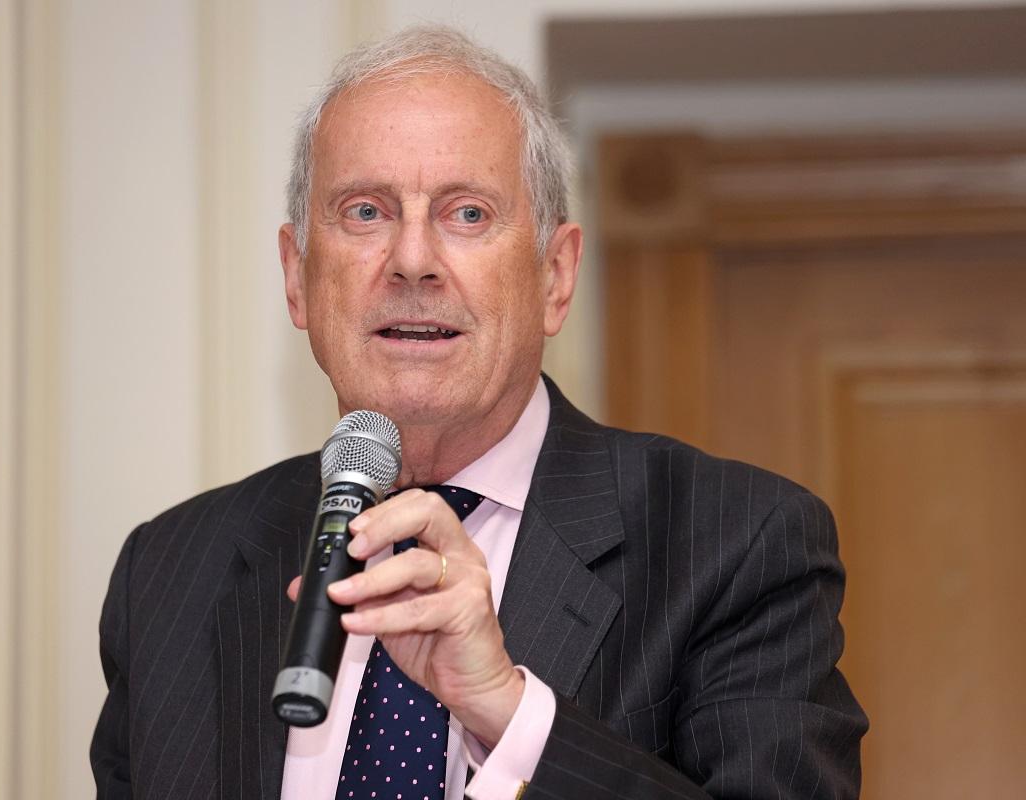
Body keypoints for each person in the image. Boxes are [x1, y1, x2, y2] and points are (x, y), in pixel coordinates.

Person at [91, 24, 866, 800]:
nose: (412, 259)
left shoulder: (737, 544)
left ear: (556, 277)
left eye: (466, 214)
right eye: (365, 212)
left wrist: (511, 710)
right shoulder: (167, 574)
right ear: (297, 277)